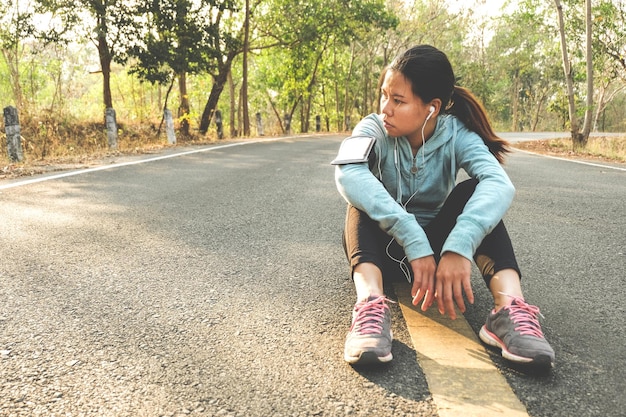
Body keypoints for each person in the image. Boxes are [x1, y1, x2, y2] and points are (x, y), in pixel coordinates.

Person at [333, 45, 555, 368]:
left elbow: (498, 183)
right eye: (384, 95)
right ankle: (369, 306)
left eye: (398, 101)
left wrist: (459, 246)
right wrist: (410, 235)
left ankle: (509, 310)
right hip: (384, 252)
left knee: (475, 191)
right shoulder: (373, 129)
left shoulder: (457, 135)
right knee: (361, 199)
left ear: (431, 108)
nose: (386, 109)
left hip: (438, 260)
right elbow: (348, 173)